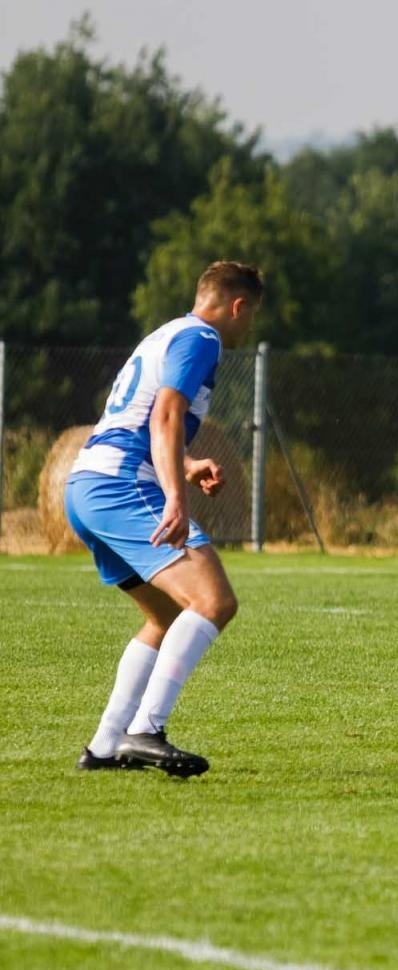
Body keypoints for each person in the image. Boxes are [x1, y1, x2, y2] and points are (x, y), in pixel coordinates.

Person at [65, 261, 265, 777]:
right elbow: (166, 414)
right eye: (251, 316)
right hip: (121, 485)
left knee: (166, 617)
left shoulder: (165, 334)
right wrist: (176, 497)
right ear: (238, 306)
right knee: (214, 601)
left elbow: (140, 417)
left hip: (86, 485)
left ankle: (105, 745)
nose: (249, 328)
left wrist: (188, 464)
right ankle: (146, 729)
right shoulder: (203, 338)